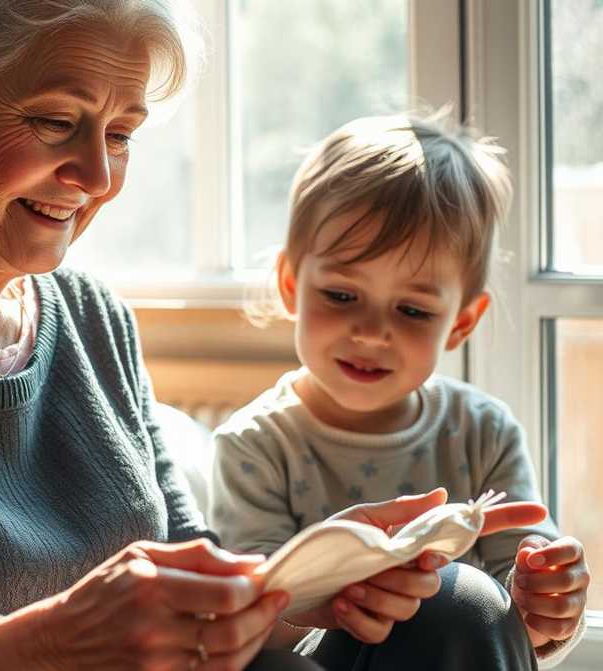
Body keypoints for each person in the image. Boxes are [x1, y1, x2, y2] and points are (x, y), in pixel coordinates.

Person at [0, 3, 546, 670]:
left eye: (120, 134)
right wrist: (47, 641)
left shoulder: (90, 317)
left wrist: (308, 580)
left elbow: (193, 562)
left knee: (456, 605)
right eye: (55, 122)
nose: (99, 176)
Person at [211, 113, 590, 668]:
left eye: (412, 310)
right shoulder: (254, 445)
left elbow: (515, 627)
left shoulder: (484, 433)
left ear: (461, 321)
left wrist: (548, 604)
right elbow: (252, 631)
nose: (370, 332)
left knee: (468, 597)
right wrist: (337, 594)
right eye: (341, 295)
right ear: (291, 284)